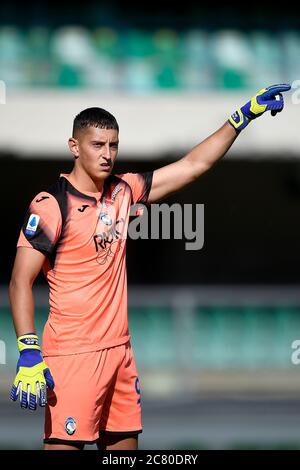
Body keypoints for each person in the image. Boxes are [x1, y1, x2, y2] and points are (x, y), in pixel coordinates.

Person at [9, 84, 290, 451]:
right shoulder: (51, 205)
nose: (107, 154)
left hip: (120, 353)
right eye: (97, 145)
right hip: (73, 355)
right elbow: (19, 281)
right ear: (74, 147)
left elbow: (193, 166)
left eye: (113, 145)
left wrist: (241, 118)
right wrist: (28, 349)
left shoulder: (124, 189)